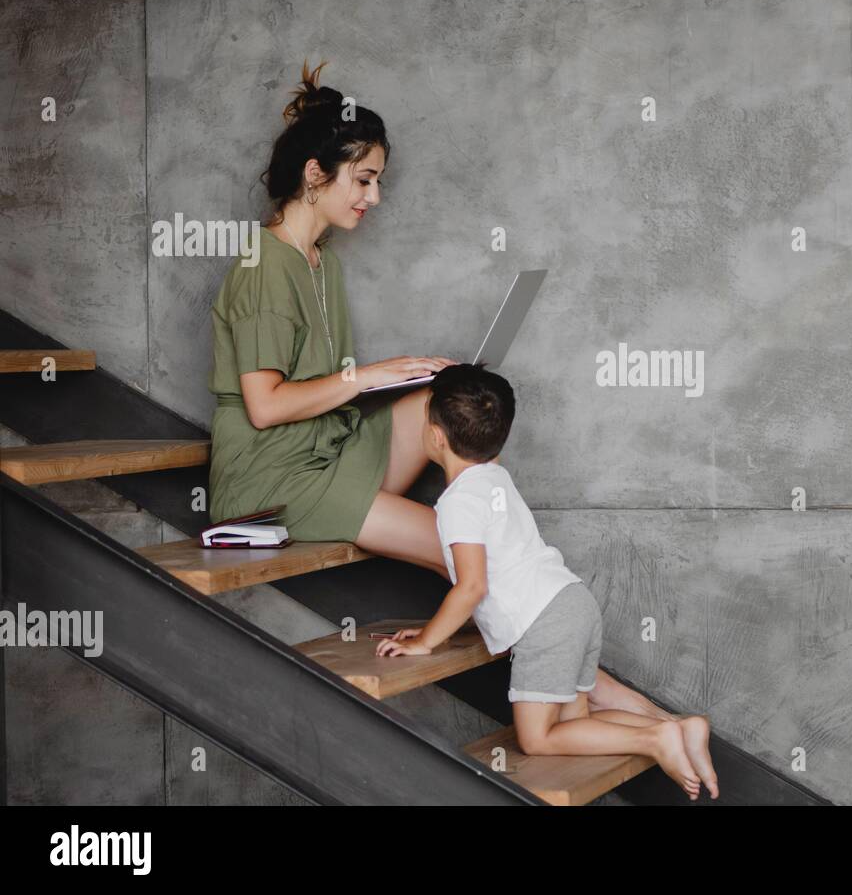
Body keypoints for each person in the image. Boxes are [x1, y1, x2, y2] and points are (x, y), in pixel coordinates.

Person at [207, 59, 678, 726]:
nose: (373, 198)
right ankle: (619, 702)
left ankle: (593, 682)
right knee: (458, 547)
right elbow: (265, 406)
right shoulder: (263, 267)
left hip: (325, 447)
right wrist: (368, 375)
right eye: (363, 180)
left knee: (441, 408)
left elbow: (321, 393)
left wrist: (427, 380)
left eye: (378, 182)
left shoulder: (321, 262)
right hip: (272, 477)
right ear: (316, 174)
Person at [375, 364, 719, 800]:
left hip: (545, 625)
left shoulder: (458, 503)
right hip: (570, 602)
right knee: (574, 725)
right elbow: (500, 582)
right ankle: (676, 727)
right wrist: (440, 628)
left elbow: (473, 587)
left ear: (436, 438)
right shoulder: (496, 478)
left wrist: (425, 643)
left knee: (536, 739)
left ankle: (654, 740)